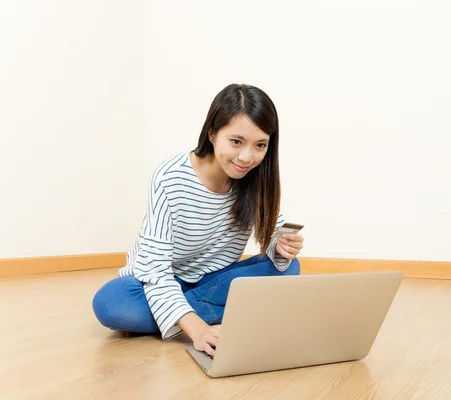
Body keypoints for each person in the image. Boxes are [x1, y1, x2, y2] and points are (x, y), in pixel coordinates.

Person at [92, 83, 304, 356]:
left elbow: (274, 238)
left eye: (260, 145)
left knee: (290, 268)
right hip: (155, 281)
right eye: (236, 141)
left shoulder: (256, 179)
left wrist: (282, 247)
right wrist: (196, 329)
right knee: (111, 303)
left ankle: (177, 314)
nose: (246, 157)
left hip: (212, 282)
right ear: (213, 134)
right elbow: (154, 271)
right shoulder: (170, 178)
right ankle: (212, 314)